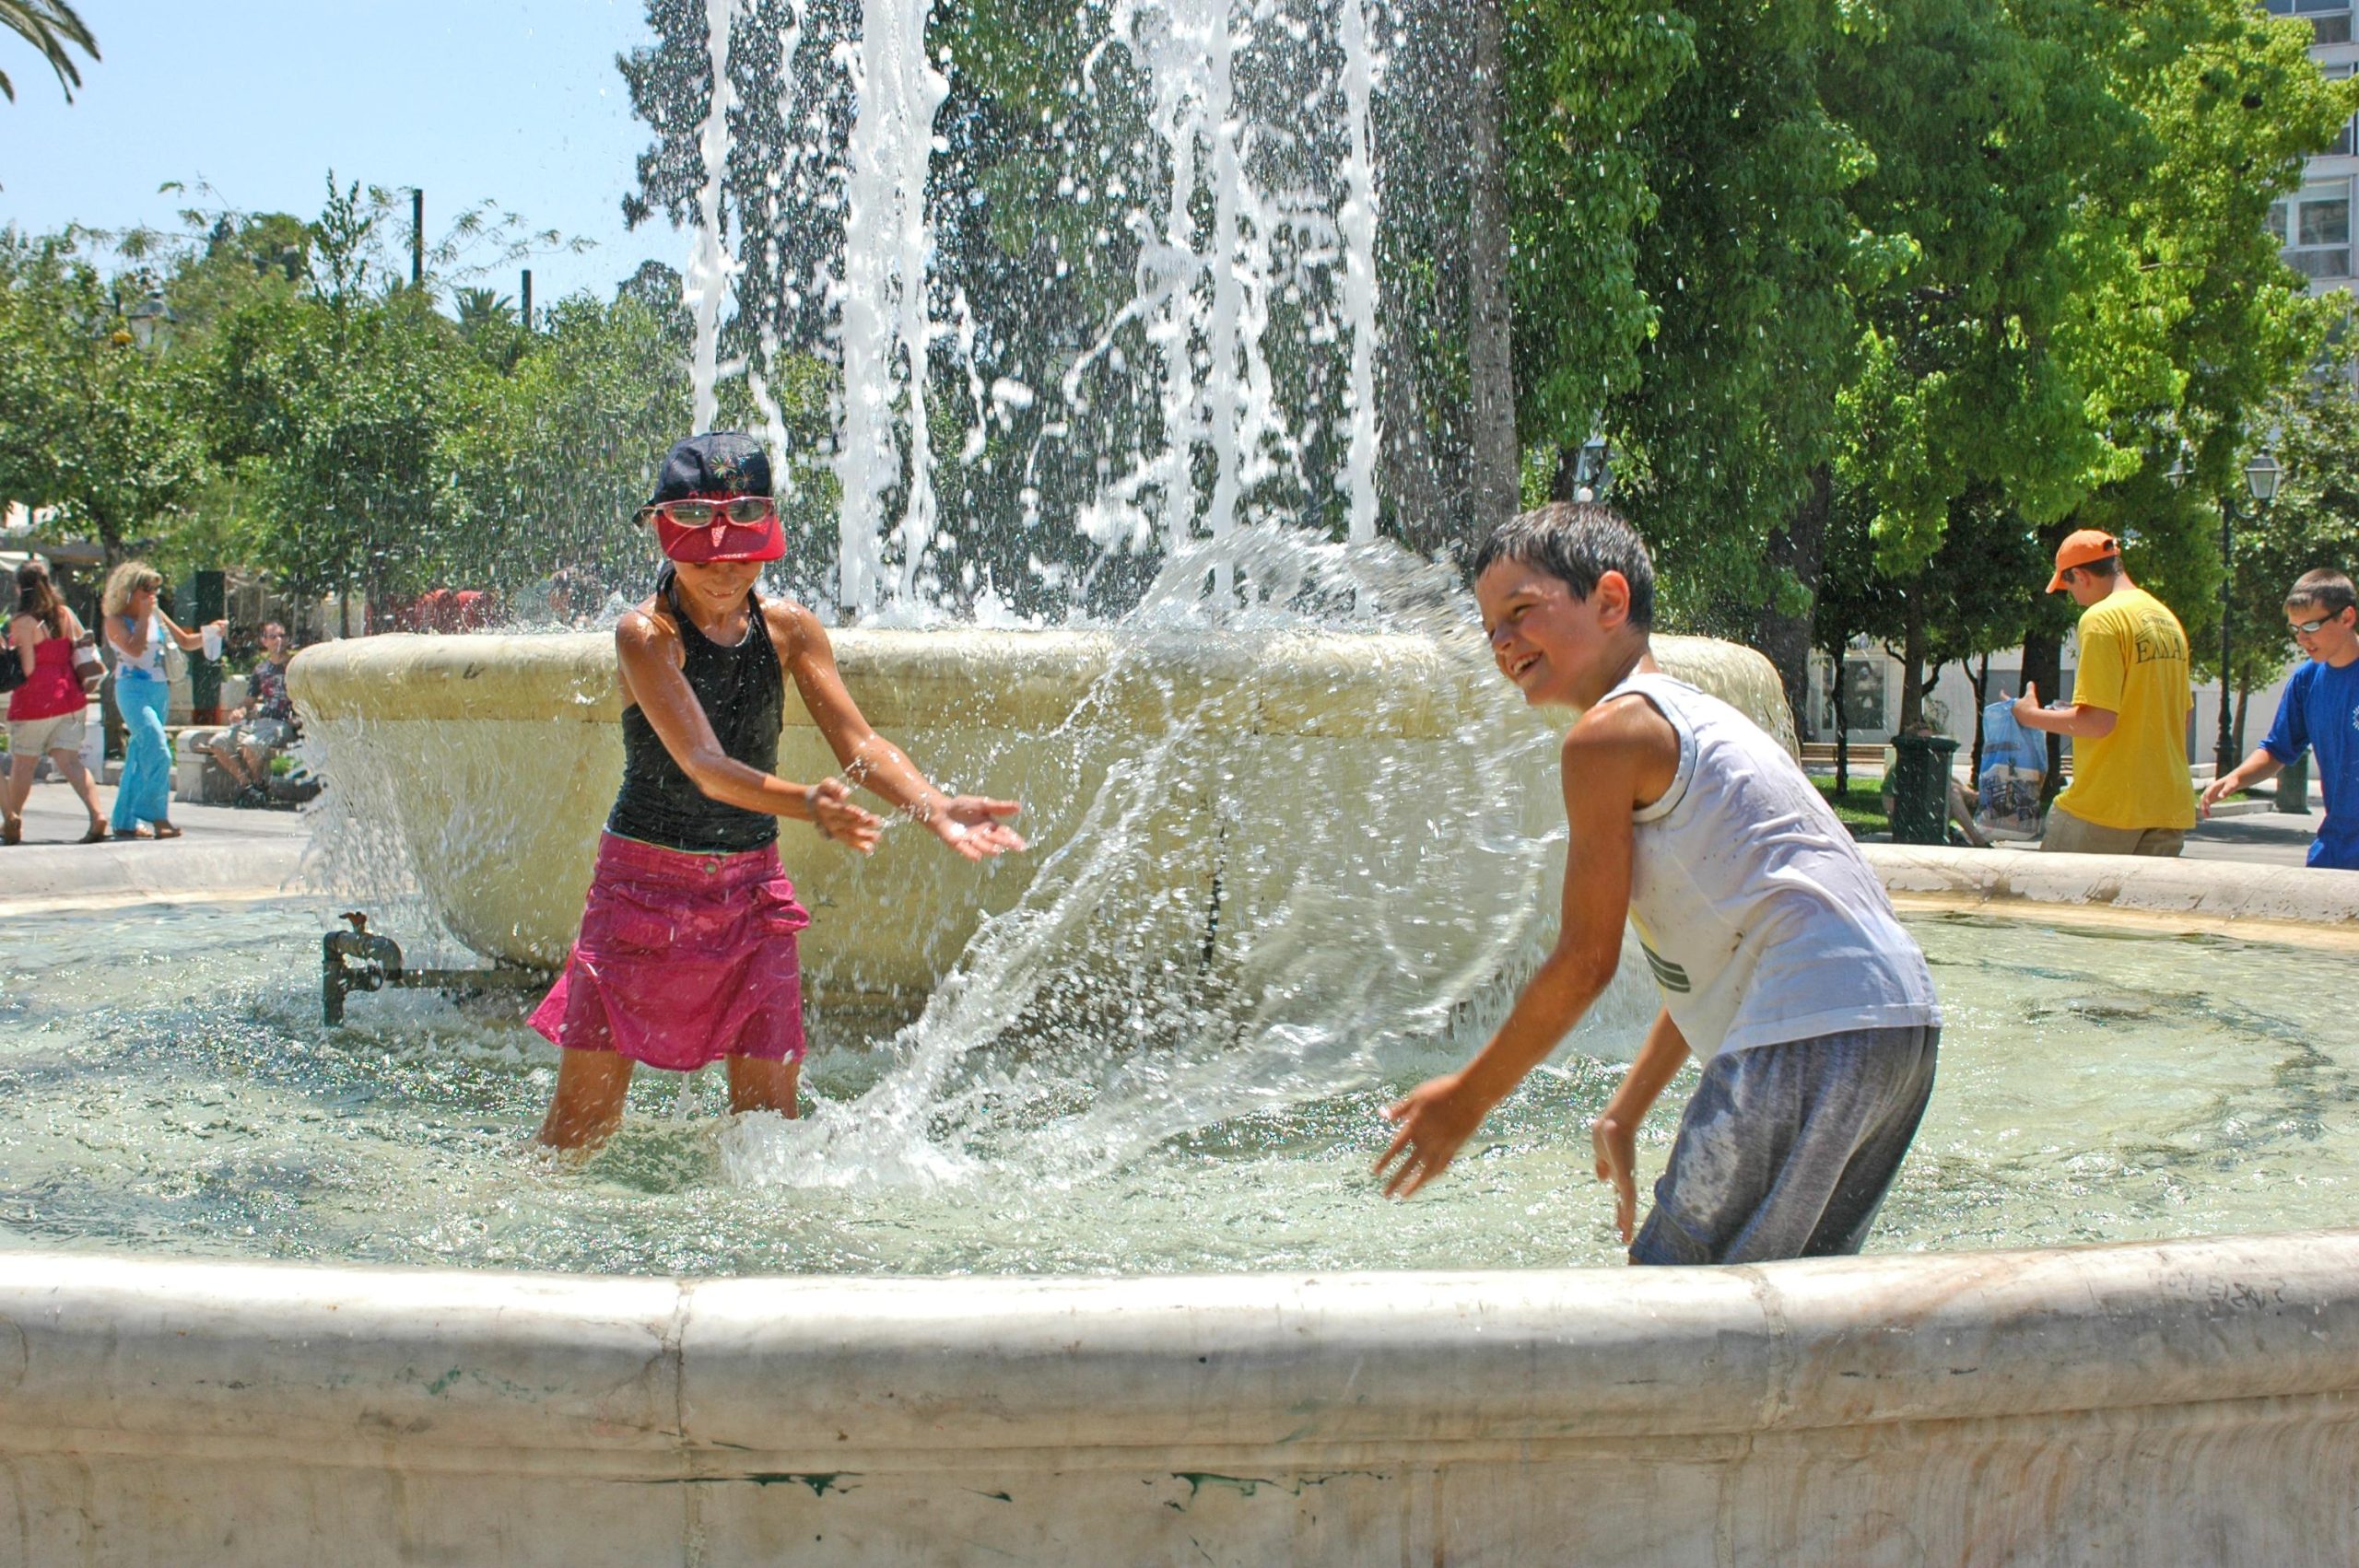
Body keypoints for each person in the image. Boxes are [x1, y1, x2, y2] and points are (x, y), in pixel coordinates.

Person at [1373, 502, 1942, 1265]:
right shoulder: (1703, 720)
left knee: (1669, 1304)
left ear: (1610, 601)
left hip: (1808, 1027)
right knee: (1789, 1302)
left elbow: (1585, 961)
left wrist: (1468, 1099)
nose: (1502, 642)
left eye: (1521, 612)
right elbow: (1734, 953)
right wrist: (1626, 1110)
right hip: (1895, 1023)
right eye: (1489, 630)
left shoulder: (1607, 737)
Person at [529, 432, 1028, 1152]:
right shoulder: (647, 634)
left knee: (768, 1134)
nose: (723, 575)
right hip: (641, 893)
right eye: (703, 558)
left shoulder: (789, 629)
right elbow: (702, 762)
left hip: (752, 896)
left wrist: (936, 806)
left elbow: (860, 744)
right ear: (668, 543)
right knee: (580, 1130)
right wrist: (807, 805)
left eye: (741, 557)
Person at [2014, 529, 2196, 857]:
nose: (2072, 598)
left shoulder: (2100, 619)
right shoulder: (2166, 619)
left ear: (2081, 576)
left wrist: (2029, 716)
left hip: (2107, 803)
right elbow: (2180, 715)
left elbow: (2098, 722)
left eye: (2068, 587)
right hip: (2168, 803)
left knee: (2050, 901)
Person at [2200, 568, 2359, 871]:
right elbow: (2277, 750)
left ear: (2347, 617)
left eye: (2311, 626)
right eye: (2295, 628)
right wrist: (2236, 778)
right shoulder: (2306, 681)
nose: (2301, 638)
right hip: (2333, 854)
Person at [100, 561, 225, 842]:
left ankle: (124, 820)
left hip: (159, 690)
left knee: (138, 754)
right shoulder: (115, 620)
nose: (152, 595)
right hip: (132, 690)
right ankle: (157, 816)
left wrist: (210, 632)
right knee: (159, 750)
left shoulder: (155, 613)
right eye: (147, 590)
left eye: (155, 590)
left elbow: (184, 641)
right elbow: (134, 649)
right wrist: (145, 616)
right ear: (128, 590)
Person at [4, 560, 108, 846]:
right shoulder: (64, 613)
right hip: (71, 698)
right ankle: (97, 814)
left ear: (19, 587)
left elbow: (26, 669)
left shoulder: (23, 622)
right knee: (70, 762)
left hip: (36, 701)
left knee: (23, 764)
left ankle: (12, 821)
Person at [205, 622, 296, 806]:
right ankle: (249, 786)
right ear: (264, 641)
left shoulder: (295, 666)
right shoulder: (261, 670)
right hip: (261, 723)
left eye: (282, 636)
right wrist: (240, 711)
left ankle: (258, 787)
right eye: (273, 636)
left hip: (284, 723)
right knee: (218, 742)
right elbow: (249, 701)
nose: (279, 640)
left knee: (250, 745)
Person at [1879, 719, 1991, 848]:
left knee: (1952, 786)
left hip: (1928, 815)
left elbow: (1949, 780)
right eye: (1923, 741)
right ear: (1911, 743)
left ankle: (1978, 809)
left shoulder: (1931, 767)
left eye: (1930, 740)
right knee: (1952, 793)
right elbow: (1890, 808)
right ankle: (1978, 840)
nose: (1929, 746)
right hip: (1908, 821)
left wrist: (1970, 793)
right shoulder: (1899, 768)